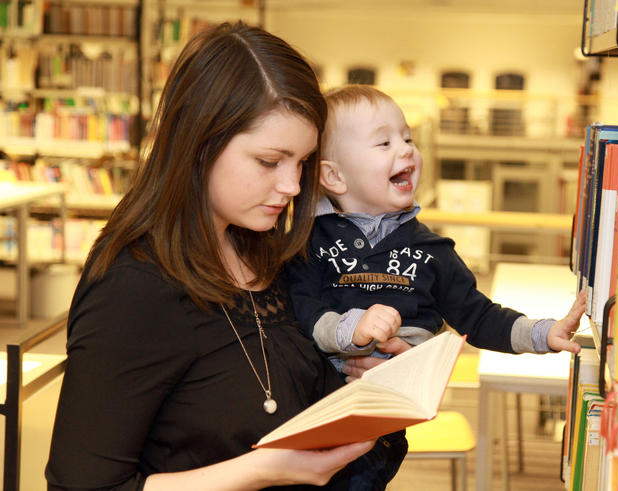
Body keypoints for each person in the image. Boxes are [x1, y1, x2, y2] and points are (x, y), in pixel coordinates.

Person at [45, 23, 407, 491]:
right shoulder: (133, 285)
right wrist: (264, 469)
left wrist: (361, 376)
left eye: (302, 163)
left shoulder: (267, 248)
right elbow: (82, 486)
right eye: (269, 161)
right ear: (200, 144)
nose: (292, 186)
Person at [288, 85, 586, 375]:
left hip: (400, 400)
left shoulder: (431, 249)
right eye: (384, 143)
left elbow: (478, 317)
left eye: (407, 139)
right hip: (323, 397)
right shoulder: (309, 240)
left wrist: (542, 334)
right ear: (334, 176)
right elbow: (300, 305)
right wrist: (349, 328)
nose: (406, 150)